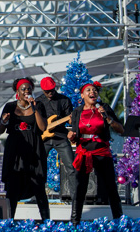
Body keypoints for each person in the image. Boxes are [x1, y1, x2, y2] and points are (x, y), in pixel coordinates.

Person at [68, 81, 124, 225]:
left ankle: (119, 221)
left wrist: (108, 118)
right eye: (88, 90)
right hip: (84, 151)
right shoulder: (77, 111)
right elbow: (75, 133)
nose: (92, 92)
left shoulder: (104, 108)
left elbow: (120, 130)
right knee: (80, 188)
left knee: (111, 187)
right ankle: (75, 222)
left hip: (101, 151)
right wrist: (72, 136)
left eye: (94, 90)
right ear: (82, 95)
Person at [0, 77, 49, 221]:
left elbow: (43, 127)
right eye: (23, 89)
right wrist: (4, 121)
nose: (27, 91)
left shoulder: (39, 105)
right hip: (15, 150)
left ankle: (46, 222)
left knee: (39, 188)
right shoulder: (10, 106)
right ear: (17, 92)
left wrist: (34, 107)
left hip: (34, 149)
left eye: (29, 88)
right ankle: (8, 221)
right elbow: (0, 130)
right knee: (13, 188)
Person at [35, 76, 76, 197]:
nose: (50, 93)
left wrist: (72, 127)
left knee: (71, 167)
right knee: (38, 167)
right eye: (47, 91)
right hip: (44, 138)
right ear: (42, 90)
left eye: (52, 90)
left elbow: (71, 120)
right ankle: (36, 195)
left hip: (61, 137)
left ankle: (75, 197)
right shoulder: (39, 101)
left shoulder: (64, 100)